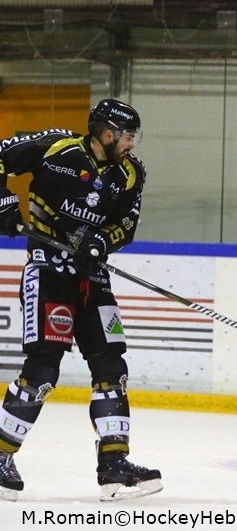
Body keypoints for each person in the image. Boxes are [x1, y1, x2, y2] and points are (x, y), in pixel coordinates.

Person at [0, 99, 162, 502]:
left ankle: (114, 464)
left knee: (112, 366)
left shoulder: (131, 174)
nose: (131, 144)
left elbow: (125, 225)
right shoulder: (57, 149)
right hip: (48, 273)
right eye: (127, 136)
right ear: (105, 132)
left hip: (91, 279)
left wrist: (101, 241)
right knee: (42, 371)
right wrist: (3, 203)